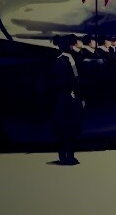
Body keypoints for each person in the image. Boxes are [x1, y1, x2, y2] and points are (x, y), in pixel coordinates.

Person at [51, 34, 83, 165]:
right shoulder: (67, 60)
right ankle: (68, 155)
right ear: (71, 45)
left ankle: (64, 155)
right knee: (69, 126)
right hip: (68, 97)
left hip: (64, 97)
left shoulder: (61, 59)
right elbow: (74, 79)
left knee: (65, 127)